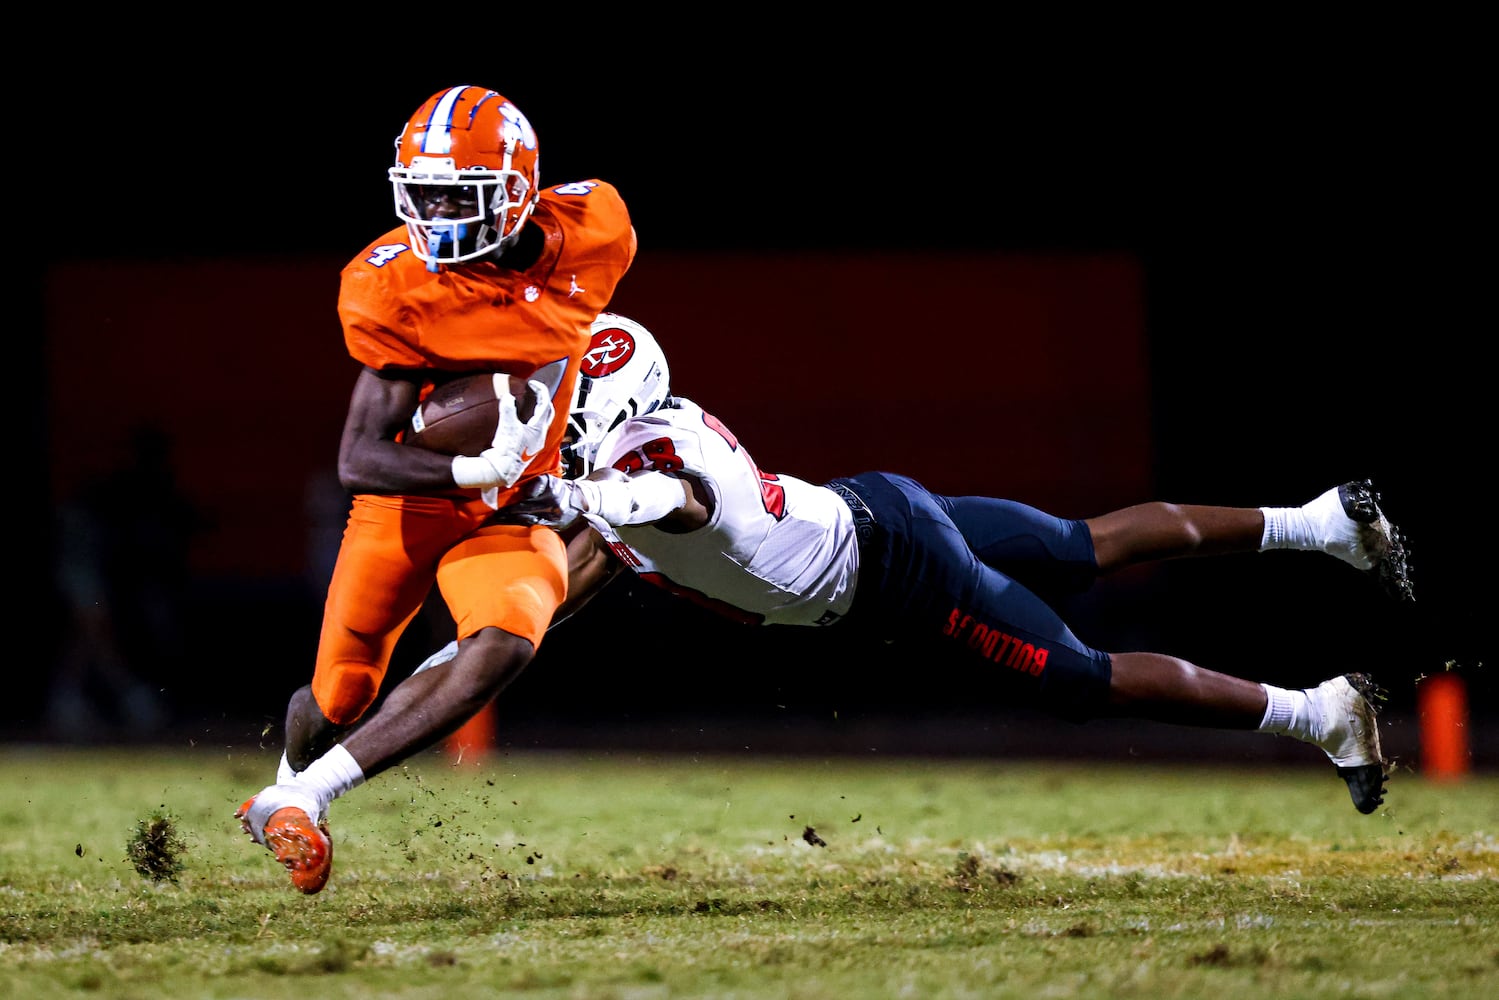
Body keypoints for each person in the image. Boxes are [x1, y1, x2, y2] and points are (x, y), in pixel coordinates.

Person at [256, 312, 1411, 893]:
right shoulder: (611, 489)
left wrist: (556, 480)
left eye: (563, 392)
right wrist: (380, 721)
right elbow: (523, 619)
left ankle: (1319, 712)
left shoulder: (651, 458)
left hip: (899, 574)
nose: (545, 402)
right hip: (873, 510)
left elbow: (667, 502)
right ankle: (1321, 521)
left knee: (1080, 677)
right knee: (1082, 541)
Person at [234, 86, 637, 893]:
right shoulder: (393, 289)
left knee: (505, 640)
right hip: (413, 501)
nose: (438, 212)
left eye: (461, 194)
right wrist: (480, 466)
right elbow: (359, 456)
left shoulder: (597, 229)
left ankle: (304, 799)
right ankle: (284, 783)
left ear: (519, 191)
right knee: (339, 694)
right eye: (425, 194)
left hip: (512, 509)